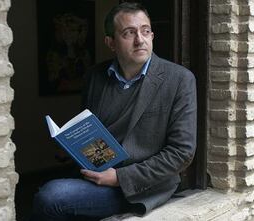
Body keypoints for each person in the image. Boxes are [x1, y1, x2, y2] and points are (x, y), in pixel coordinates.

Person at [31, 2, 197, 220]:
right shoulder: (95, 76)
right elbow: (90, 129)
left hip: (139, 187)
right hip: (96, 173)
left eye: (145, 31)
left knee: (51, 197)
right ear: (110, 42)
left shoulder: (179, 79)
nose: (140, 39)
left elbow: (181, 153)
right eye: (129, 33)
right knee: (43, 190)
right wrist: (73, 147)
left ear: (152, 36)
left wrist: (119, 177)